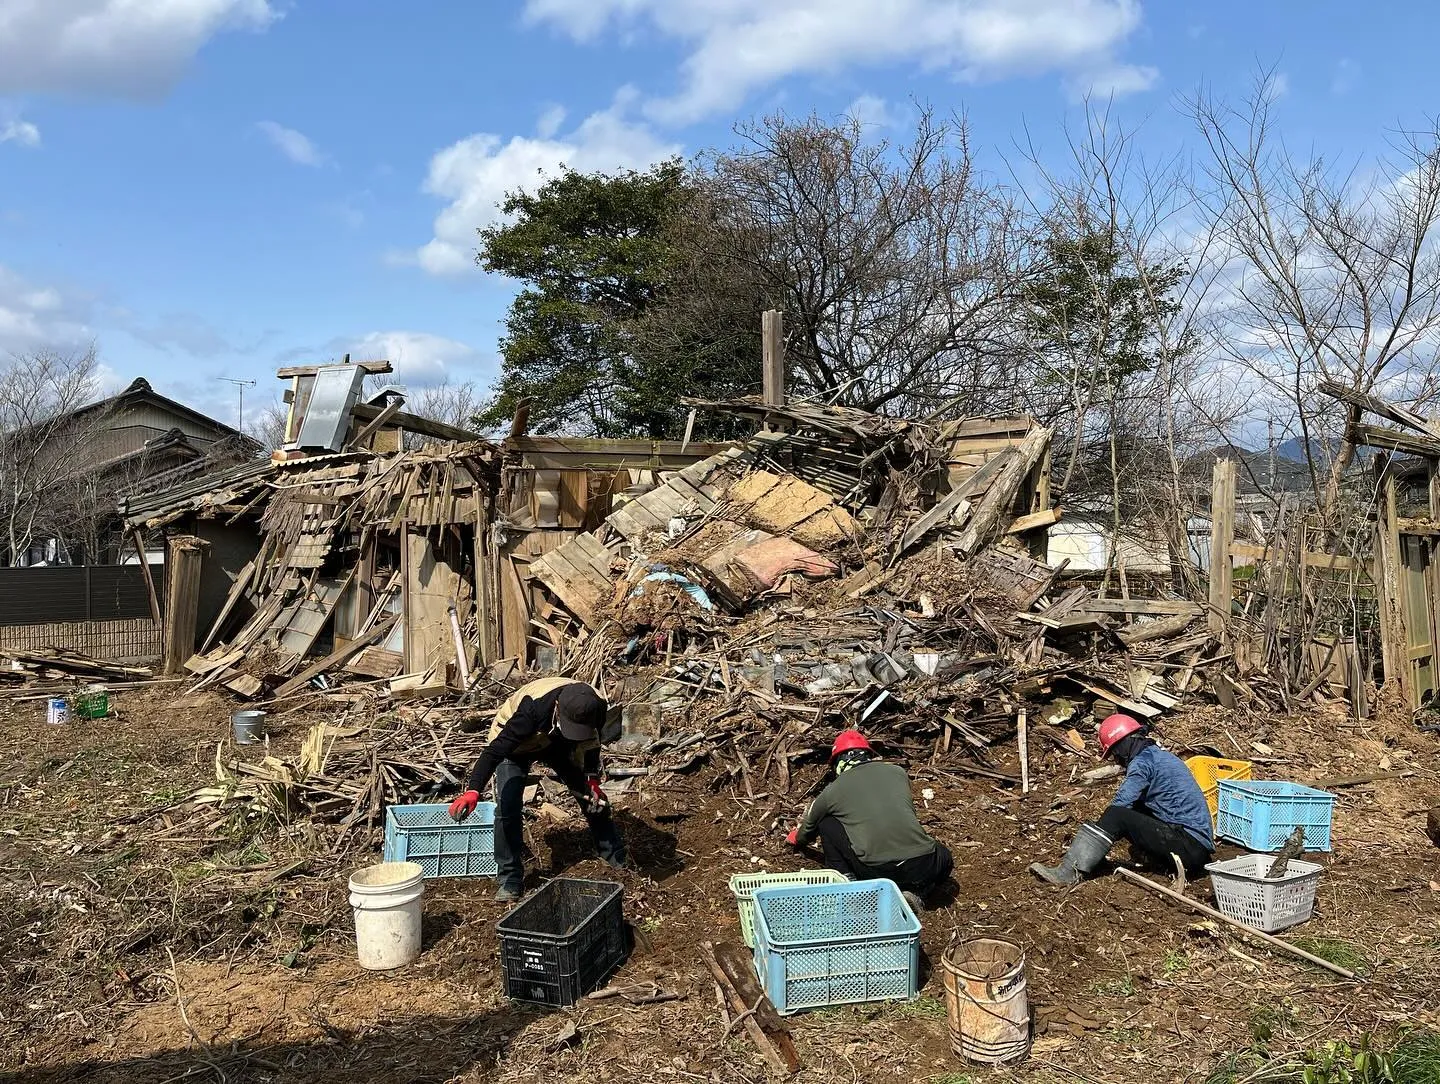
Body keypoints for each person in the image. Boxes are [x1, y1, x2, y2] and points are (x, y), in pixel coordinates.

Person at [449, 676, 626, 901]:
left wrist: (591, 778)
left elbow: (591, 743)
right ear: (558, 708)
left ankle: (614, 860)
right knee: (508, 806)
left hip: (556, 742)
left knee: (593, 798)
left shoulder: (595, 705)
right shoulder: (531, 710)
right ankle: (510, 878)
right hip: (517, 746)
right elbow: (493, 753)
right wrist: (473, 790)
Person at [1031, 713, 1214, 886]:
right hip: (1196, 847)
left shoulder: (1143, 762)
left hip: (1189, 846)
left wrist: (1102, 828)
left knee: (1116, 815)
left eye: (1115, 752)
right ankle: (1109, 860)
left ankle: (1069, 872)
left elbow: (1120, 804)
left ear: (1123, 744)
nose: (1117, 759)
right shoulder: (1159, 756)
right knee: (1135, 809)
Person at [786, 729, 953, 910]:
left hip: (877, 870)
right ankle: (918, 893)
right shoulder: (898, 773)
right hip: (925, 864)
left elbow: (808, 830)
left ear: (838, 762)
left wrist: (796, 838)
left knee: (826, 823)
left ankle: (849, 886)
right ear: (868, 755)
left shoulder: (831, 792)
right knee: (944, 856)